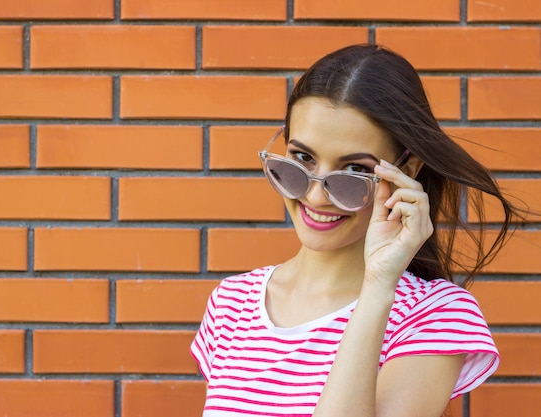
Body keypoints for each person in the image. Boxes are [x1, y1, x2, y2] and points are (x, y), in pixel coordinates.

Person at [191, 44, 520, 417]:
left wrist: (379, 284)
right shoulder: (232, 302)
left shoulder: (435, 315)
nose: (316, 195)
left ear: (406, 171)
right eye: (302, 158)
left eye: (354, 172)